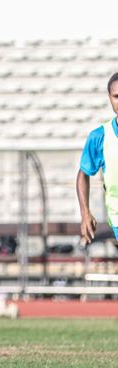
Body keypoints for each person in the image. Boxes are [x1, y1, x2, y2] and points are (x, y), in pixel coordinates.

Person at [77, 72, 118, 246]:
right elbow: (83, 175)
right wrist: (85, 213)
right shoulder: (100, 137)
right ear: (110, 98)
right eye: (116, 96)